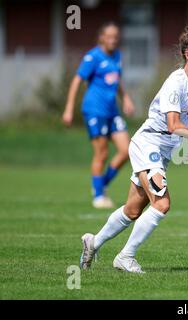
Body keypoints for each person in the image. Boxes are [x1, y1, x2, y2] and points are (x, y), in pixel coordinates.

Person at [79, 25, 188, 273]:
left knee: (132, 210)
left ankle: (94, 242)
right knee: (162, 203)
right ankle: (126, 256)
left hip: (161, 151)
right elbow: (173, 125)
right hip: (148, 144)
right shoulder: (175, 83)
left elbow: (184, 123)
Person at [62, 22, 135, 209]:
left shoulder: (118, 56)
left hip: (112, 111)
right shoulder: (92, 57)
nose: (113, 40)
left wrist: (125, 98)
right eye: (109, 36)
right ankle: (98, 196)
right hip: (95, 110)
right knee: (101, 153)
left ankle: (100, 185)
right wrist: (69, 108)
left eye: (115, 37)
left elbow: (117, 81)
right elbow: (77, 81)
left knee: (127, 150)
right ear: (102, 37)